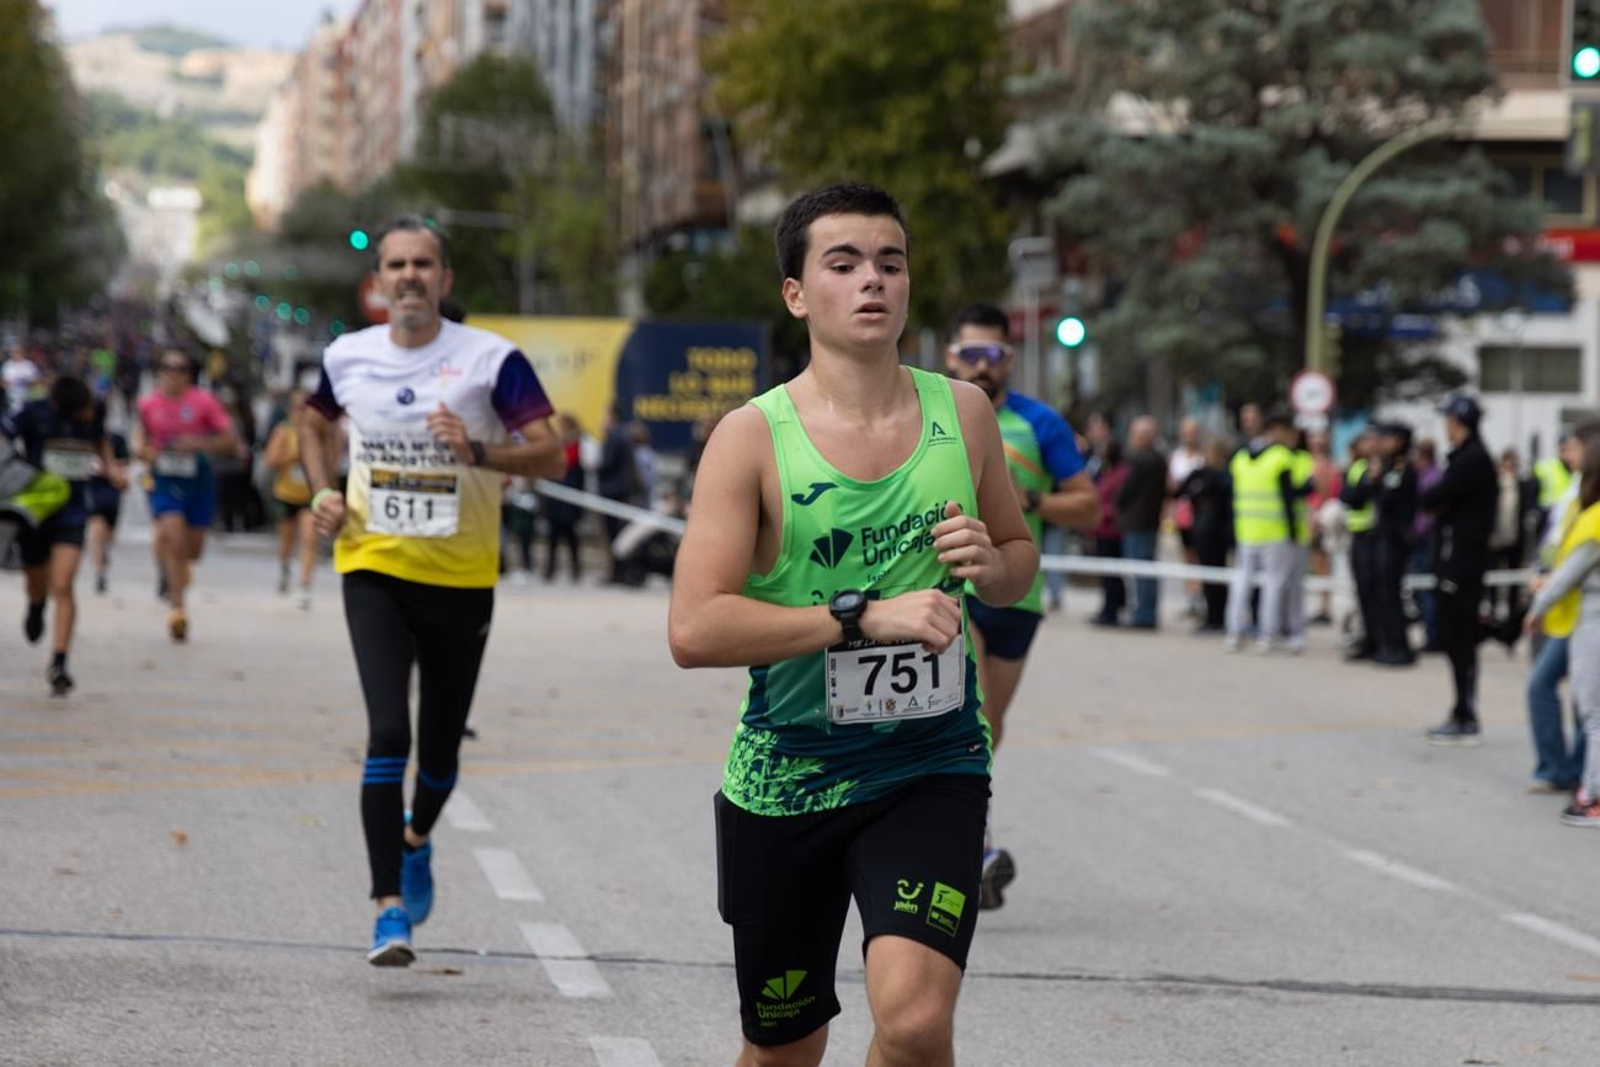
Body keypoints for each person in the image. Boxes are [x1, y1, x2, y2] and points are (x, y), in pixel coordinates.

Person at [669, 183, 1036, 1067]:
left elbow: (1020, 557)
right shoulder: (751, 438)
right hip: (788, 778)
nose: (873, 279)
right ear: (796, 293)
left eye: (890, 262)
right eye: (844, 263)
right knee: (785, 1050)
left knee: (914, 1024)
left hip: (932, 764)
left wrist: (993, 564)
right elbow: (696, 628)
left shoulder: (964, 413)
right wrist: (862, 619)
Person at [299, 215, 564, 967]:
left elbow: (552, 453)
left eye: (423, 264)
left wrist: (476, 449)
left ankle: (416, 839)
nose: (409, 276)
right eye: (397, 265)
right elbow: (310, 423)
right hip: (373, 566)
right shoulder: (347, 356)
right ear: (377, 282)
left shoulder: (491, 359)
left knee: (440, 753)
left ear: (444, 280)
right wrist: (323, 491)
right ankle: (388, 910)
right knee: (389, 734)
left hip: (461, 578)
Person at [941, 301, 1097, 910]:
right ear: (952, 356)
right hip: (953, 588)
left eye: (993, 355)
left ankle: (961, 829)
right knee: (973, 715)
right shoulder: (931, 411)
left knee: (990, 727)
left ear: (1009, 359)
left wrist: (1032, 501)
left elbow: (1087, 505)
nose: (981, 365)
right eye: (970, 354)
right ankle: (970, 845)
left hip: (1018, 592)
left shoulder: (1040, 423)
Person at [3, 374, 121, 694]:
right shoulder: (34, 412)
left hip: (73, 511)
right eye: (82, 411)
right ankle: (36, 605)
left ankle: (59, 662)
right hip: (36, 509)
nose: (88, 415)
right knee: (36, 580)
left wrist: (111, 468)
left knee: (64, 583)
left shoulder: (93, 412)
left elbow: (101, 440)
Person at [1525, 426, 1600, 825]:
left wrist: (1540, 603)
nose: (1568, 452)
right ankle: (1577, 779)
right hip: (1576, 613)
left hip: (1587, 616)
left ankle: (1592, 794)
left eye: (1576, 446)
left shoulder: (1594, 518)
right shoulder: (1579, 501)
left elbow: (1572, 570)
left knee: (1593, 710)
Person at [136, 349, 238, 642]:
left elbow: (229, 441)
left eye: (180, 368)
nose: (173, 373)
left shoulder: (204, 402)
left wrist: (199, 444)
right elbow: (139, 441)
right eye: (167, 367)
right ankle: (178, 610)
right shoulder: (148, 404)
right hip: (164, 481)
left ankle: (176, 574)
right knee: (172, 537)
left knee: (191, 551)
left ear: (188, 374)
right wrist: (145, 452)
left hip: (199, 481)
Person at [1421, 395, 1498, 745]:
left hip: (1463, 562)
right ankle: (1461, 711)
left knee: (1461, 638)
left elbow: (1433, 497)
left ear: (1457, 421)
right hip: (1458, 559)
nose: (1445, 427)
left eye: (1448, 420)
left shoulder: (1471, 459)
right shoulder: (1467, 457)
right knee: (1455, 637)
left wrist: (1438, 502)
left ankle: (1466, 716)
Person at [1225, 412, 1298, 652]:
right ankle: (1267, 635)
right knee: (1273, 584)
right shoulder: (1281, 457)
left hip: (1245, 530)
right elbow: (1288, 499)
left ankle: (1234, 632)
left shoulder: (1240, 458)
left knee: (1241, 582)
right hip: (1274, 530)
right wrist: (1293, 532)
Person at [1367, 422, 1419, 666]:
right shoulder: (1392, 467)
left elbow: (1386, 500)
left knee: (1391, 593)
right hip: (1386, 536)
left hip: (1395, 538)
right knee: (1384, 593)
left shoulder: (1401, 468)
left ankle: (1398, 647)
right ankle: (1388, 644)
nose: (1383, 443)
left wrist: (1376, 480)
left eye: (1388, 438)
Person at [263, 388, 318, 609]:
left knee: (309, 538)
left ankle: (305, 585)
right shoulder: (284, 431)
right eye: (297, 408)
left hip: (310, 495)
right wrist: (291, 455)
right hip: (286, 493)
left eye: (306, 408)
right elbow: (269, 460)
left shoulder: (317, 432)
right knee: (287, 539)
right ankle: (284, 566)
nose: (301, 413)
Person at [1116, 416, 1167, 629]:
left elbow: (1127, 491)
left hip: (1139, 523)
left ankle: (1144, 614)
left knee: (1141, 571)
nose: (1132, 438)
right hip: (1146, 522)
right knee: (1144, 570)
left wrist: (1119, 503)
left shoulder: (1144, 461)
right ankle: (1145, 612)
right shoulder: (1157, 460)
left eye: (1135, 434)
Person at [1178, 436, 1233, 633]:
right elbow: (1182, 491)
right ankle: (1211, 615)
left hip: (1217, 532)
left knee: (1217, 575)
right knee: (1207, 575)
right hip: (1201, 530)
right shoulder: (1200, 473)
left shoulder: (1224, 475)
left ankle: (1217, 617)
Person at [1340, 428, 1382, 660]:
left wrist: (1363, 487)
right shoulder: (1357, 468)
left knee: (1372, 591)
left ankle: (1375, 640)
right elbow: (1346, 495)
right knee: (1363, 592)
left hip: (1371, 534)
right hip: (1357, 534)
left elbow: (1356, 497)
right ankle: (1367, 637)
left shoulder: (1375, 468)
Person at [540, 413, 585, 583]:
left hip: (568, 499)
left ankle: (575, 569)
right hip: (555, 500)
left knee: (570, 535)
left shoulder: (574, 446)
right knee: (553, 536)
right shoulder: (558, 444)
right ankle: (550, 569)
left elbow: (565, 463)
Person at [597, 404, 639, 583]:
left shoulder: (614, 436)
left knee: (614, 534)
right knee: (620, 533)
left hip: (613, 492)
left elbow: (607, 463)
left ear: (613, 416)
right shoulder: (625, 435)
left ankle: (618, 573)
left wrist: (594, 464)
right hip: (622, 491)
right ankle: (622, 572)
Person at [1168, 417, 1205, 615]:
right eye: (1186, 433)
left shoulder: (1203, 457)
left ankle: (1202, 597)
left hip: (1201, 513)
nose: (1189, 436)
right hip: (1182, 514)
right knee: (1187, 555)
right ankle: (1191, 597)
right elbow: (1171, 486)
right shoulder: (1176, 457)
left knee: (1200, 555)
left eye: (1192, 432)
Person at [86, 428, 129, 595]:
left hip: (111, 491)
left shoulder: (117, 439)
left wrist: (111, 469)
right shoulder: (85, 434)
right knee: (96, 529)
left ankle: (103, 554)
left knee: (109, 534)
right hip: (91, 489)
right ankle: (100, 571)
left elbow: (124, 466)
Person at [1090, 438, 1128, 626]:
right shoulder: (1105, 471)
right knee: (1106, 574)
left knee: (1112, 574)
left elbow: (1118, 503)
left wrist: (1102, 513)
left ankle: (1111, 610)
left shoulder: (1121, 473)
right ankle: (1109, 607)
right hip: (1101, 529)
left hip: (1112, 531)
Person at [1410, 439, 1442, 651]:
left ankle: (1433, 636)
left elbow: (1427, 513)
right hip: (1424, 539)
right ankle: (1432, 633)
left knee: (1426, 589)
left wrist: (1415, 531)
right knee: (1423, 590)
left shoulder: (1430, 478)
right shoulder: (1430, 475)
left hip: (1425, 540)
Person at [5, 344, 41, 415]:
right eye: (15, 352)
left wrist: (26, 381)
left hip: (27, 397)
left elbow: (37, 380)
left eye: (18, 352)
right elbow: (3, 381)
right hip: (12, 398)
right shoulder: (7, 366)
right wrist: (11, 383)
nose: (17, 354)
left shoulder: (29, 365)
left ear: (23, 352)